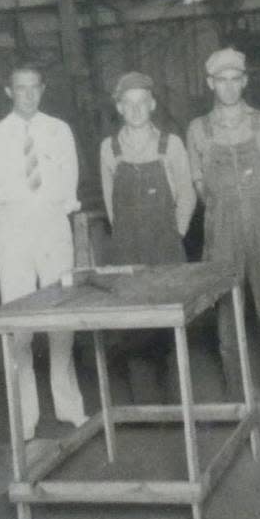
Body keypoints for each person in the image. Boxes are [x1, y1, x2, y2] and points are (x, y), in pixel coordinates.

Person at [186, 48, 260, 412]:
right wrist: (225, 210)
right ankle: (239, 395)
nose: (229, 87)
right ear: (211, 84)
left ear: (244, 81)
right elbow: (199, 185)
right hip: (222, 226)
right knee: (227, 313)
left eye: (235, 79)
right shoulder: (199, 129)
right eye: (221, 80)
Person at [0, 61, 88, 441]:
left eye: (34, 87)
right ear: (9, 91)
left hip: (53, 224)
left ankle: (69, 406)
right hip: (13, 229)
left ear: (43, 89)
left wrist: (59, 209)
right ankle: (25, 417)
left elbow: (70, 179)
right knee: (19, 321)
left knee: (62, 315)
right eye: (19, 87)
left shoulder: (59, 131)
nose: (27, 94)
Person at [99, 71, 197, 400]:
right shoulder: (109, 149)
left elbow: (187, 195)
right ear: (120, 108)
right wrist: (126, 237)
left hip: (165, 246)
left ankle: (177, 402)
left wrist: (176, 234)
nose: (136, 109)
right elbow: (110, 201)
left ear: (152, 104)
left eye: (142, 102)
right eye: (129, 104)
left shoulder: (171, 144)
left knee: (170, 329)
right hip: (127, 249)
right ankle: (145, 406)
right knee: (133, 328)